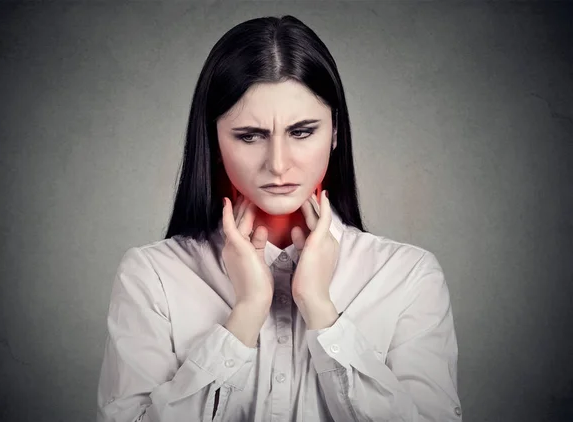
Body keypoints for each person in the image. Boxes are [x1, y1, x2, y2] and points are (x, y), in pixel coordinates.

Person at [96, 15, 462, 422]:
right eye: (250, 136)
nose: (278, 164)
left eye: (302, 131)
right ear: (214, 140)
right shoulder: (152, 276)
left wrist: (321, 311)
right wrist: (247, 312)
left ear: (336, 131)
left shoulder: (409, 276)